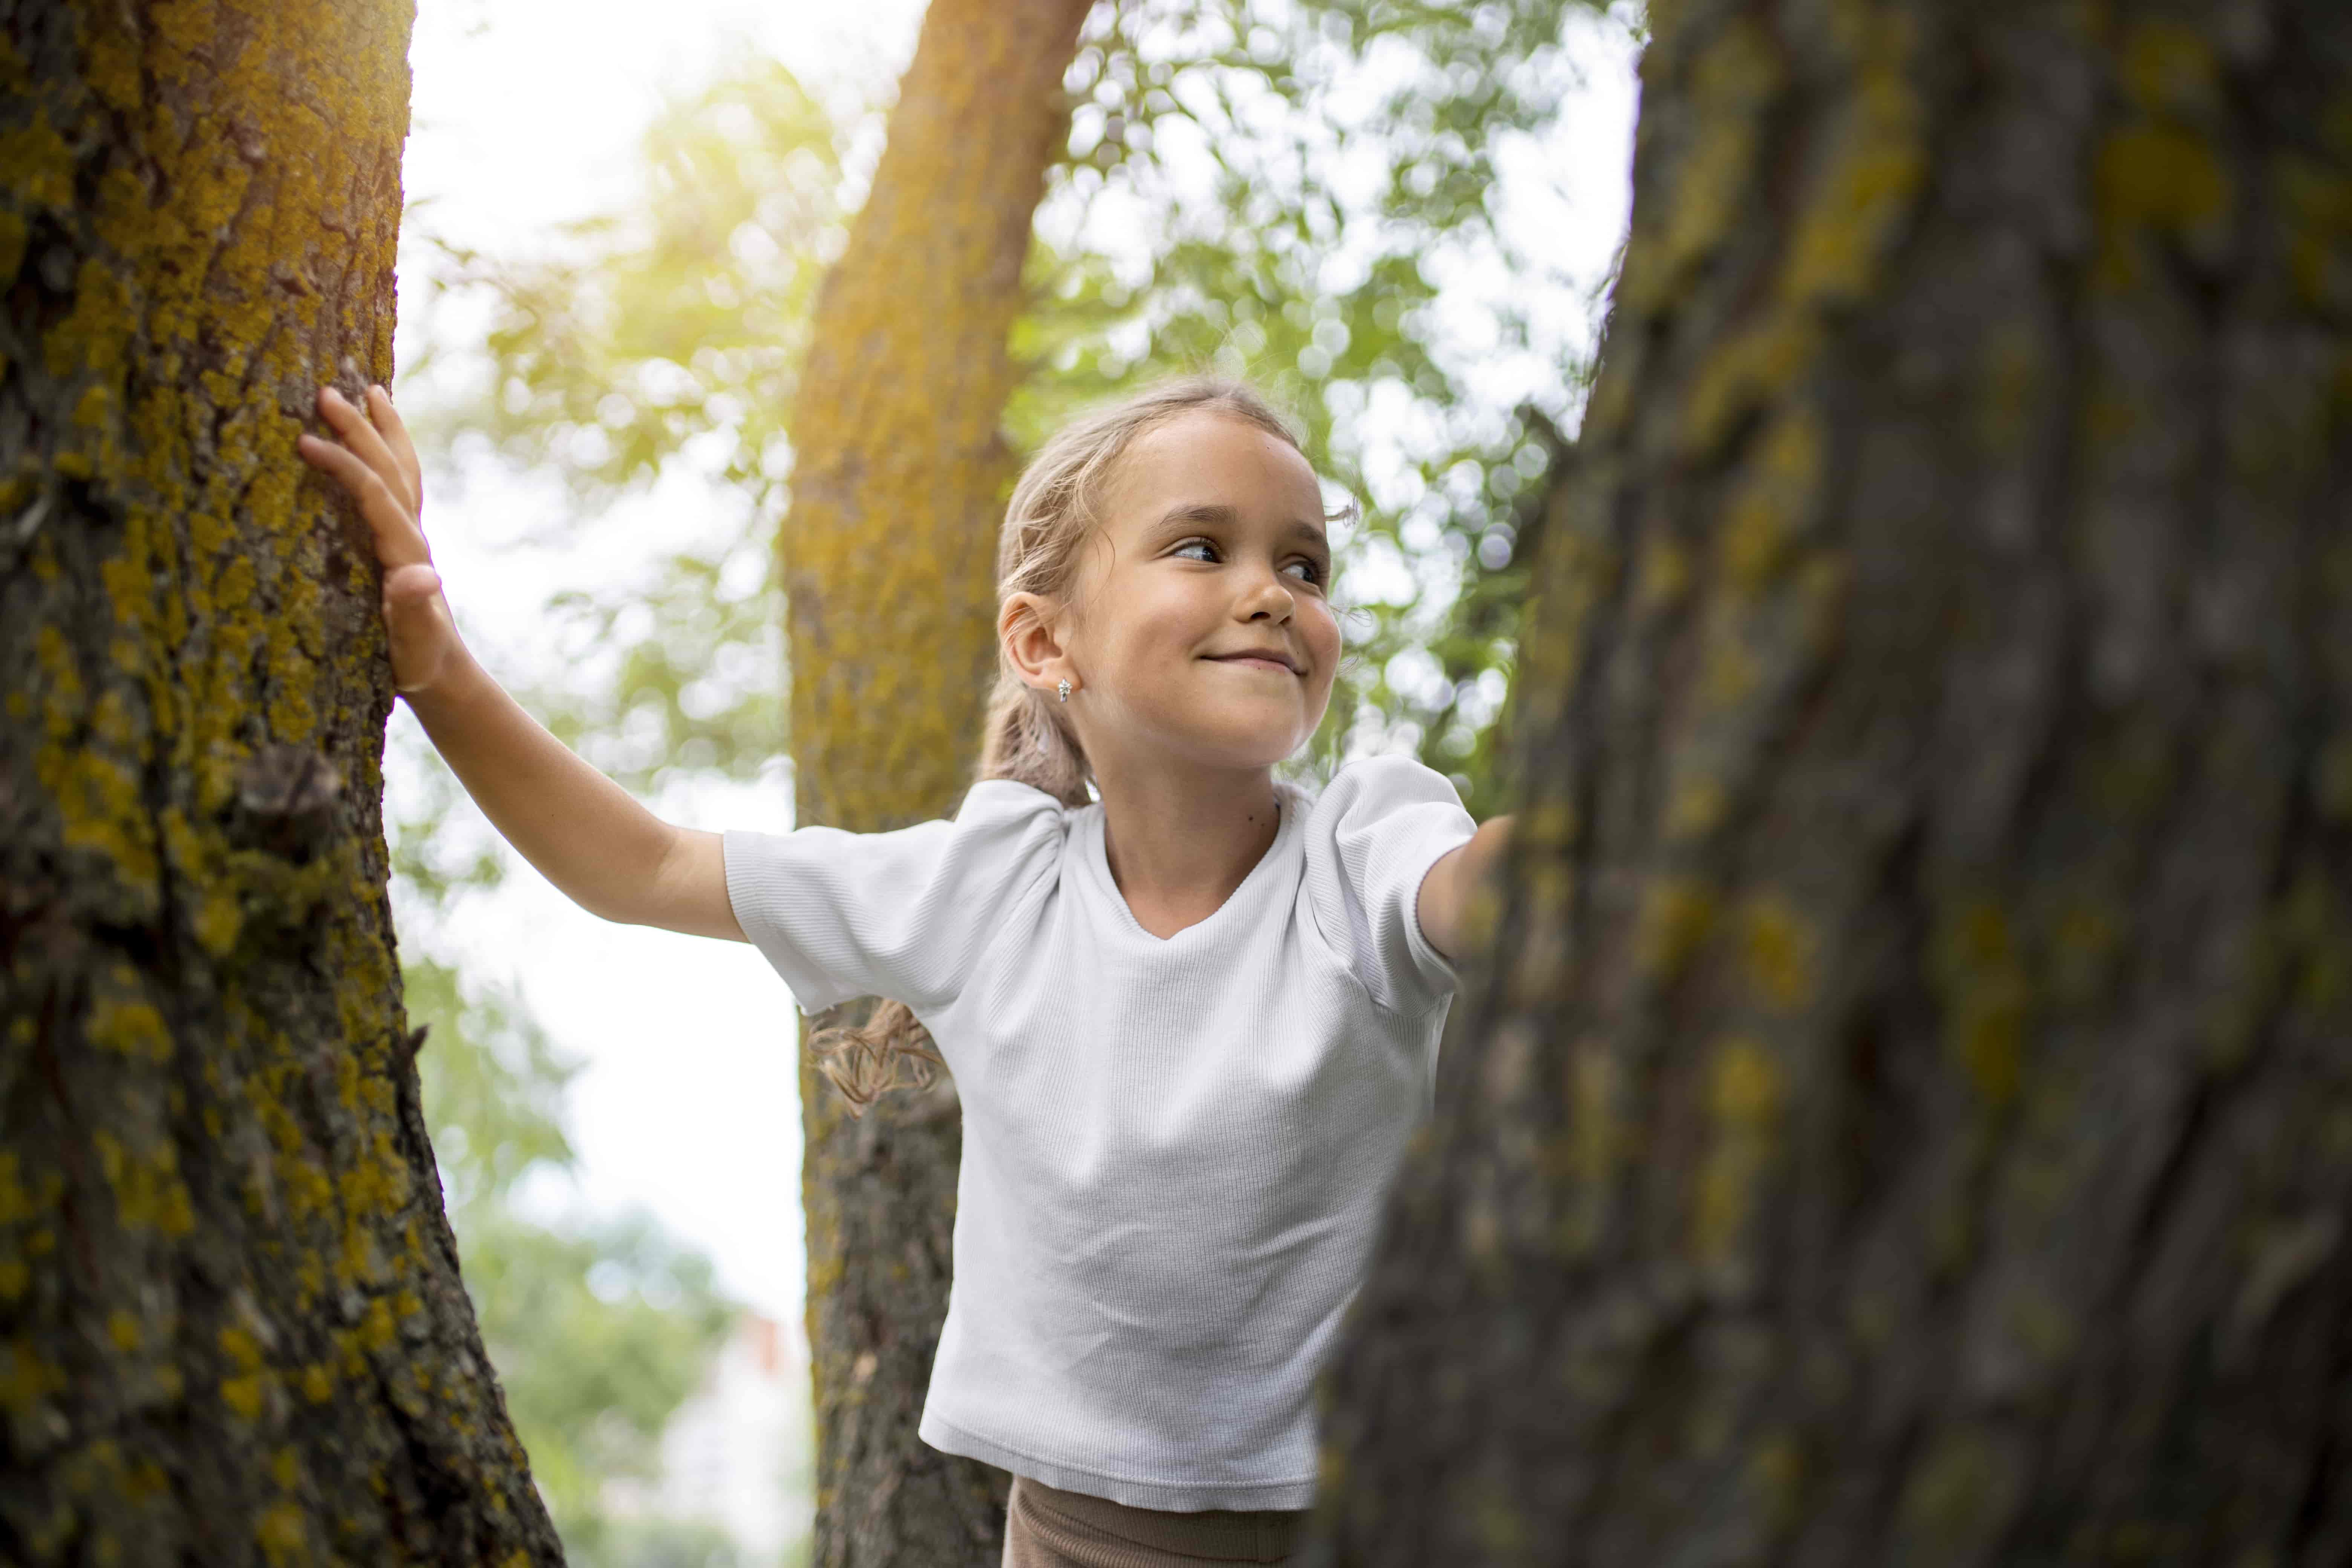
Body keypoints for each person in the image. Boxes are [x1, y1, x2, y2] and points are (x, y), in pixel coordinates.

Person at [299, 374, 1513, 1567]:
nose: (1270, 594)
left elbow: (1486, 894)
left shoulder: (1365, 846)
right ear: (1047, 641)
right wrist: (437, 664)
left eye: (1305, 566)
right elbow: (644, 865)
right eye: (1202, 547)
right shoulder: (990, 892)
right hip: (1081, 1543)